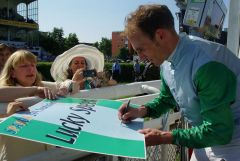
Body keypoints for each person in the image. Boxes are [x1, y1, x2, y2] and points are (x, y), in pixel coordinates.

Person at [118, 4, 240, 161]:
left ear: (160, 35)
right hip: (206, 136)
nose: (140, 57)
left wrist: (165, 137)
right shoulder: (166, 61)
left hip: (232, 142)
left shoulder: (206, 64)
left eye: (141, 49)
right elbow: (168, 98)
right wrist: (141, 111)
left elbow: (219, 131)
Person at [0, 49, 67, 161]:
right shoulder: (8, 90)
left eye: (33, 65)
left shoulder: (42, 85)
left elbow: (66, 84)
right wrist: (8, 117)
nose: (31, 69)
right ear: (12, 72)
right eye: (24, 66)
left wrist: (66, 88)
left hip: (47, 154)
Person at [51, 44, 117, 90]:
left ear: (86, 66)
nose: (80, 65)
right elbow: (64, 89)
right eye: (76, 63)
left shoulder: (91, 82)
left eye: (82, 63)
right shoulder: (65, 82)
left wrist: (103, 77)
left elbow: (114, 83)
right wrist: (74, 81)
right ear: (70, 67)